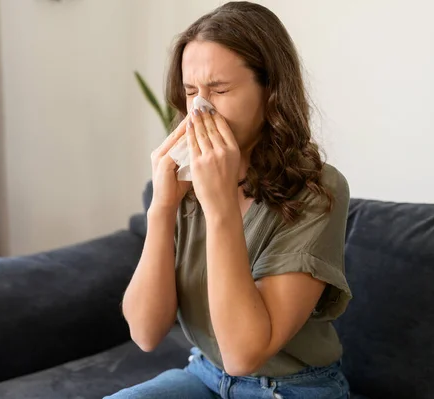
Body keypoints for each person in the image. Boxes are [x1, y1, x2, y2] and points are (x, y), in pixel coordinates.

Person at [107, 2, 351, 398]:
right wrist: (162, 209)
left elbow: (243, 354)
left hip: (290, 387)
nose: (201, 108)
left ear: (270, 91)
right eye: (191, 92)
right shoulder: (184, 182)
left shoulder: (319, 189)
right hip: (204, 374)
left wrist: (220, 206)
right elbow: (146, 334)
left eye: (219, 90)